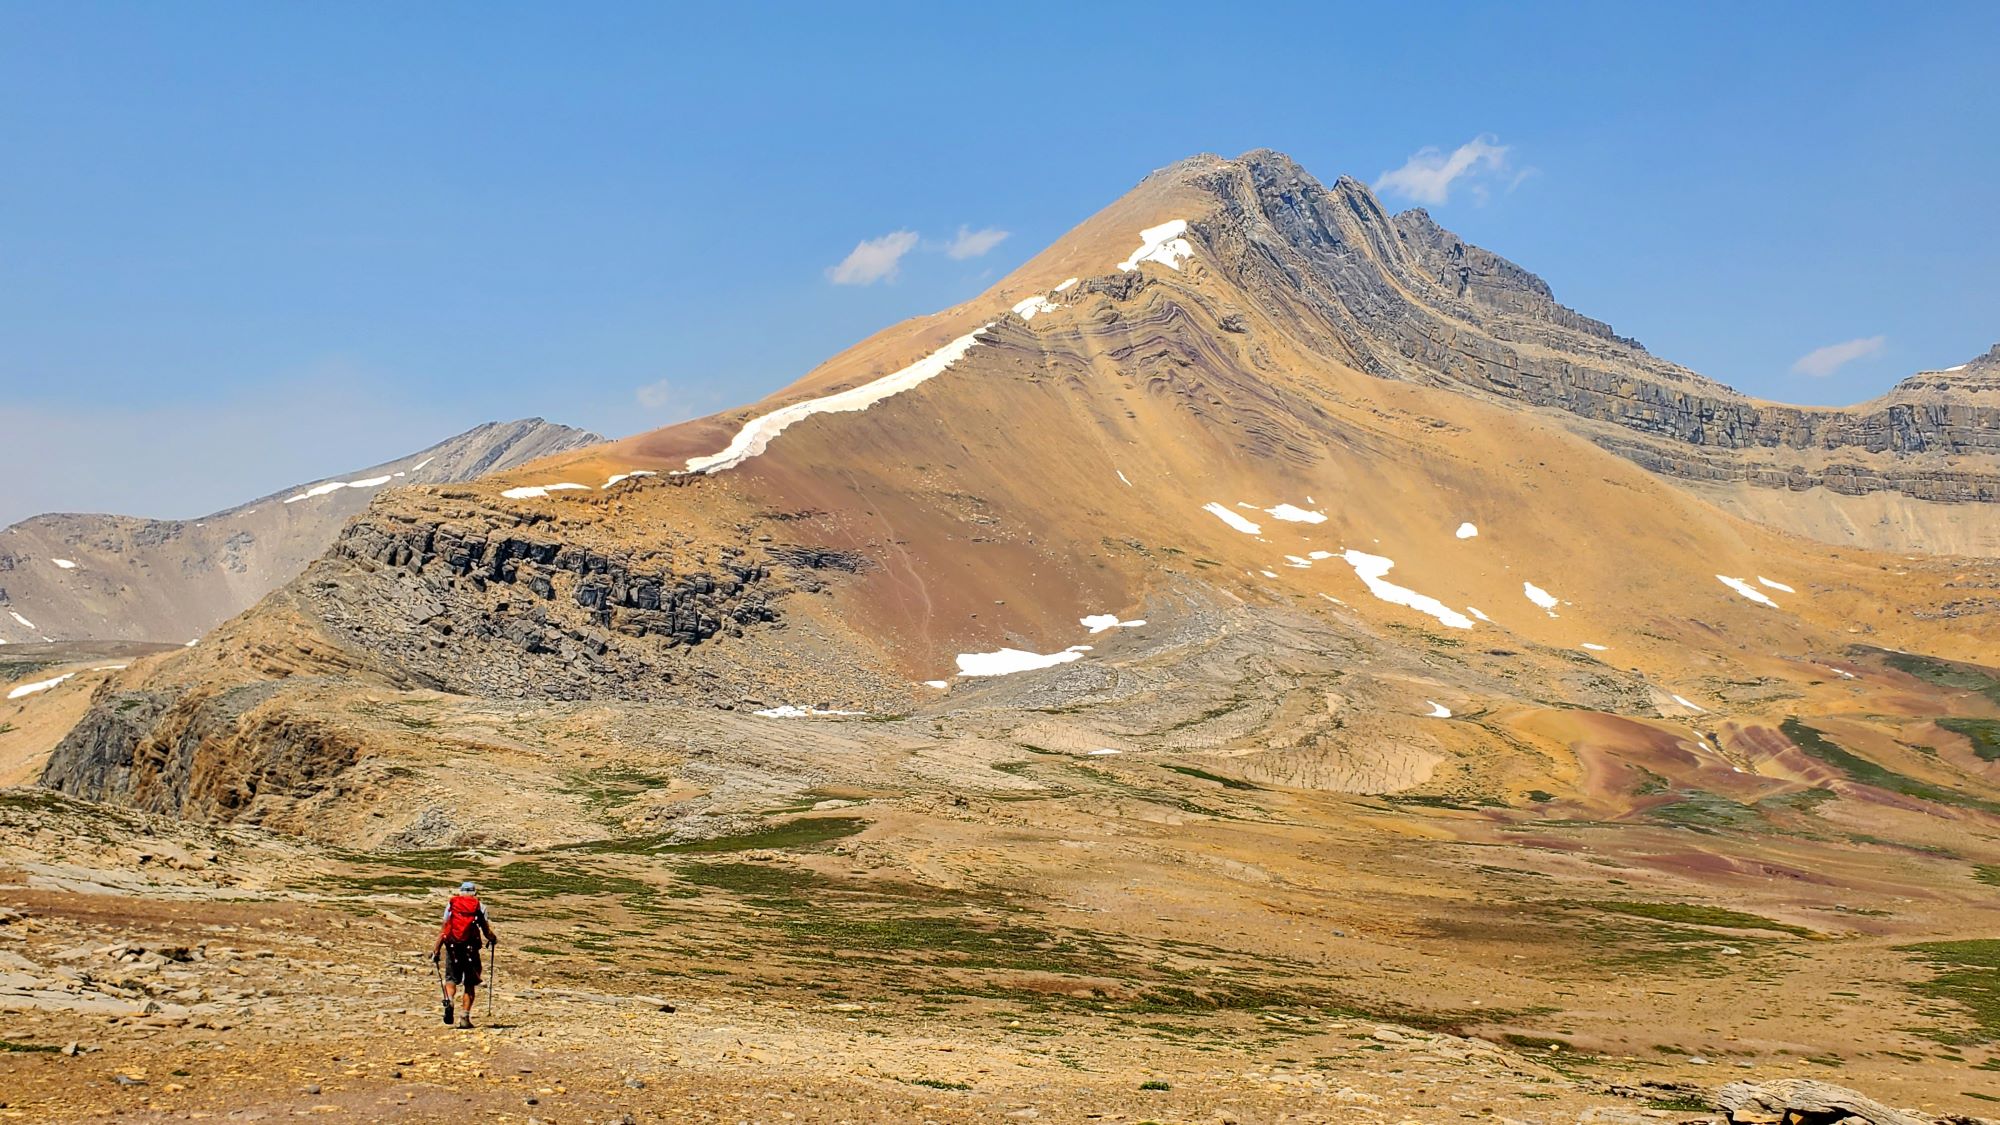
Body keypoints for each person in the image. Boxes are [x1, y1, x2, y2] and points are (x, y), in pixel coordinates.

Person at [431, 880, 498, 1028]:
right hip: (471, 949)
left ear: (460, 892)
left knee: (451, 979)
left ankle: (450, 999)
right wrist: (493, 939)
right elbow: (486, 931)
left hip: (453, 947)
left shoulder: (452, 905)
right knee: (470, 983)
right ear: (474, 893)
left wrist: (436, 949)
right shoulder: (479, 906)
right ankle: (464, 1018)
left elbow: (444, 929)